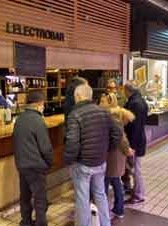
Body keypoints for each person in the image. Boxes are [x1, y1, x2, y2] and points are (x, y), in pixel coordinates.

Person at [64, 84, 122, 226]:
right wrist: (106, 149)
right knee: (100, 194)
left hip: (82, 164)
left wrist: (68, 160)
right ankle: (105, 224)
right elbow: (118, 133)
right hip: (100, 162)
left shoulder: (74, 115)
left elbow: (72, 142)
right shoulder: (103, 112)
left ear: (77, 97)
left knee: (82, 200)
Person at [13, 91, 53, 226]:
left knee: (25, 196)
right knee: (40, 199)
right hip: (36, 166)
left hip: (21, 165)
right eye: (43, 105)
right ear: (38, 104)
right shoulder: (38, 121)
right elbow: (45, 148)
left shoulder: (19, 119)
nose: (43, 107)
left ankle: (26, 222)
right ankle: (41, 223)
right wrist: (49, 162)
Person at [99, 93, 135, 219]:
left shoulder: (112, 116)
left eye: (102, 101)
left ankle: (104, 211)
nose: (100, 104)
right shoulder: (114, 114)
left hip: (113, 154)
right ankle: (118, 209)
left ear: (110, 103)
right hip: (116, 154)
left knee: (106, 182)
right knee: (115, 181)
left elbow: (121, 137)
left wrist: (126, 149)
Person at [123, 81, 149, 204]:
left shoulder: (135, 103)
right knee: (135, 168)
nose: (123, 93)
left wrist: (131, 146)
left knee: (135, 169)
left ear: (128, 91)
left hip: (135, 141)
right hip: (138, 139)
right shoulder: (139, 100)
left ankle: (139, 195)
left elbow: (135, 127)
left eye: (124, 91)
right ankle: (138, 191)